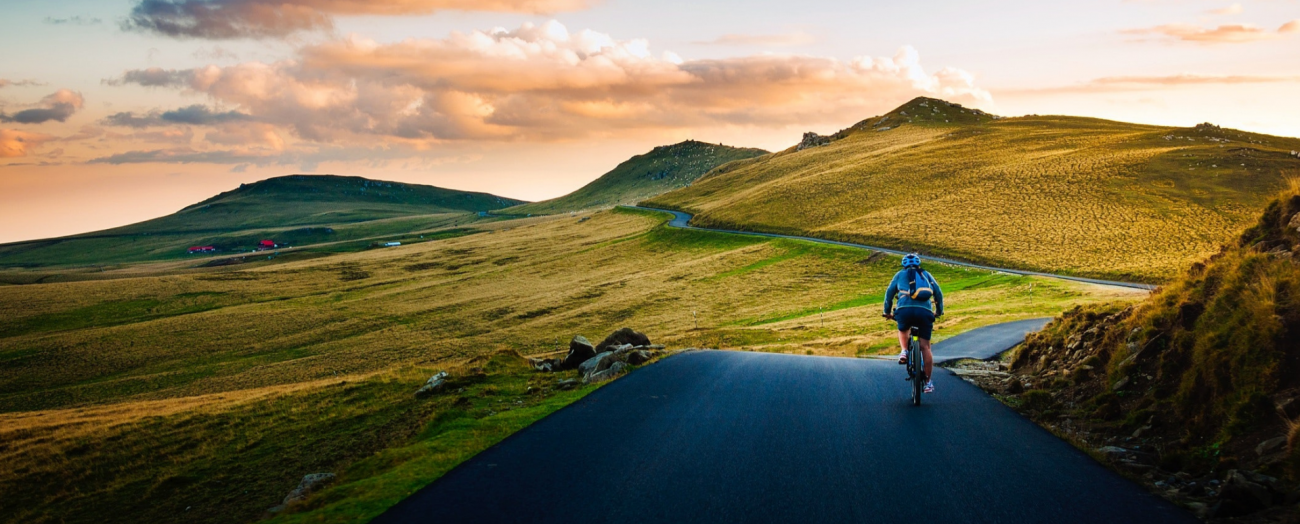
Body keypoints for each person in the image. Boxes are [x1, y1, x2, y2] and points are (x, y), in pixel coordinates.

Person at [882, 253, 944, 393]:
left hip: (904, 310)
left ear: (903, 265)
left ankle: (904, 351)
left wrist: (887, 312)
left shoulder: (899, 275)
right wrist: (939, 311)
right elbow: (938, 293)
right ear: (919, 264)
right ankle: (928, 382)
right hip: (925, 312)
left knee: (903, 329)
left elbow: (889, 294)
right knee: (925, 347)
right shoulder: (926, 275)